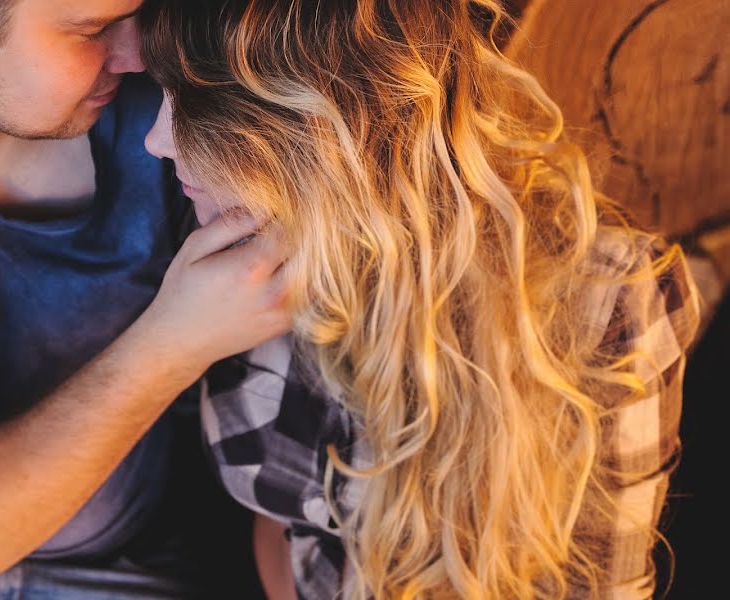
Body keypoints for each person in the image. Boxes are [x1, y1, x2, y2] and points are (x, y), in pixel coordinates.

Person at [140, 0, 701, 598]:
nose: (155, 142)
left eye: (194, 101)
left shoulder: (610, 307)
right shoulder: (235, 288)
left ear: (323, 124)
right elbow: (284, 532)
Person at [0, 0, 290, 598]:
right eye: (93, 30)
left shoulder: (161, 86)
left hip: (254, 524)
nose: (140, 53)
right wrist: (175, 341)